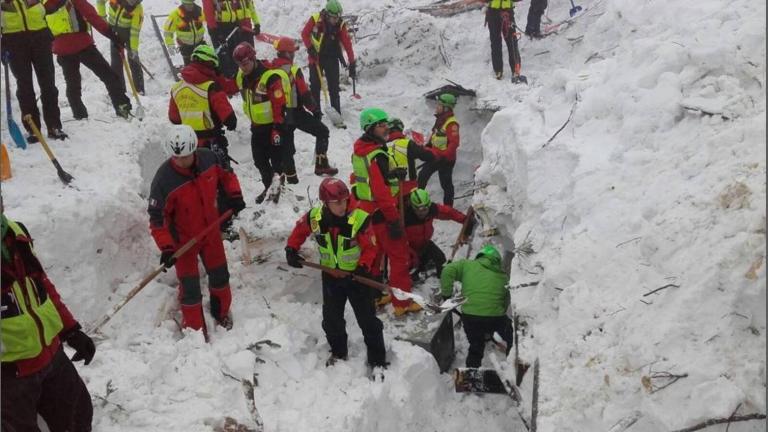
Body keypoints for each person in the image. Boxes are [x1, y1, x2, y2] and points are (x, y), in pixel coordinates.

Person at [1, 213, 96, 430]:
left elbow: (42, 286)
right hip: (10, 376)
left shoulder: (16, 232)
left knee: (78, 417)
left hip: (51, 355)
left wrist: (70, 330)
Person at [148, 125, 245, 333]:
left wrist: (234, 195)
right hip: (183, 241)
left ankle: (221, 313)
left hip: (210, 231)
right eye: (177, 158)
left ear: (194, 149)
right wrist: (166, 247)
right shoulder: (163, 180)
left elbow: (227, 175)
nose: (182, 161)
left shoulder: (210, 158)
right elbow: (157, 220)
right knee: (190, 288)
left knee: (220, 276)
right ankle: (195, 330)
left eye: (185, 156)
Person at [285, 178, 386, 369]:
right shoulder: (315, 217)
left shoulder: (359, 219)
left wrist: (362, 267)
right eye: (337, 202)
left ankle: (378, 360)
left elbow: (371, 248)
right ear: (325, 203)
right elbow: (300, 229)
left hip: (358, 278)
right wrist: (291, 248)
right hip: (331, 277)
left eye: (345, 200)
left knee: (368, 321)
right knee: (332, 320)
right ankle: (339, 352)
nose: (343, 205)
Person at [352, 108, 421, 317]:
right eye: (381, 125)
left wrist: (392, 173)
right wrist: (393, 220)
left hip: (369, 212)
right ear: (370, 128)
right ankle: (402, 303)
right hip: (383, 213)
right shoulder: (377, 155)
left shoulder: (362, 150)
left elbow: (372, 180)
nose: (386, 128)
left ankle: (375, 295)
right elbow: (381, 192)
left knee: (377, 255)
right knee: (399, 257)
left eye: (385, 124)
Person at [44, 0, 132, 120]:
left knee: (73, 84)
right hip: (82, 44)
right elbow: (93, 17)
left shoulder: (43, 4)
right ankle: (123, 107)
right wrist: (112, 35)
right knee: (108, 75)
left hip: (62, 49)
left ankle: (80, 115)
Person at [271, 37, 338, 179]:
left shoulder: (271, 69)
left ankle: (291, 178)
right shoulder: (294, 70)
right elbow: (304, 94)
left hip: (280, 115)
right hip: (296, 112)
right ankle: (321, 165)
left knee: (287, 148)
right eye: (292, 52)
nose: (294, 55)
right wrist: (315, 109)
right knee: (322, 131)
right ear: (287, 54)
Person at [0, 0, 66, 142]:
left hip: (40, 37)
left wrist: (51, 5)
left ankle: (54, 126)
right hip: (14, 41)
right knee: (24, 86)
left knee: (48, 83)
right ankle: (33, 129)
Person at [233, 42, 292, 201]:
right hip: (257, 127)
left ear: (253, 59)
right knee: (259, 160)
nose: (242, 67)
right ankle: (269, 188)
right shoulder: (242, 77)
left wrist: (277, 128)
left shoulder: (269, 77)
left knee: (277, 162)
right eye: (239, 64)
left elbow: (279, 104)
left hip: (273, 126)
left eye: (245, 63)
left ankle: (279, 191)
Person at [439, 244, 513, 368]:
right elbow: (506, 301)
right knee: (509, 333)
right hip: (495, 318)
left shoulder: (467, 265)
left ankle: (471, 376)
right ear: (497, 261)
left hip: (470, 318)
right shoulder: (503, 277)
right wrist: (497, 312)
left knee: (476, 346)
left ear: (480, 256)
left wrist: (446, 295)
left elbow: (447, 270)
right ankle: (512, 363)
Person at [301, 0, 355, 117]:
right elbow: (304, 33)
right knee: (315, 86)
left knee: (334, 87)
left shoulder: (340, 25)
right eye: (334, 17)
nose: (336, 20)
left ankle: (336, 112)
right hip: (316, 57)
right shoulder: (316, 19)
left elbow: (347, 44)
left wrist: (352, 62)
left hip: (332, 57)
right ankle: (316, 112)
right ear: (327, 14)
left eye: (338, 17)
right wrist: (310, 48)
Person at [404, 188, 466, 280]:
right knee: (410, 265)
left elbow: (448, 212)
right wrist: (411, 253)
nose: (422, 212)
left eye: (425, 208)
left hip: (424, 244)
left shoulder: (432, 210)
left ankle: (443, 279)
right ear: (412, 207)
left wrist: (464, 219)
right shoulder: (405, 217)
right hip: (408, 249)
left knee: (440, 258)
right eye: (418, 209)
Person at [418, 93, 459, 206]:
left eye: (439, 105)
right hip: (436, 156)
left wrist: (444, 155)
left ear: (446, 108)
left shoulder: (452, 123)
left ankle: (448, 209)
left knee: (446, 184)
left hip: (446, 160)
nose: (437, 107)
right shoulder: (440, 120)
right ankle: (417, 201)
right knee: (422, 176)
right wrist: (427, 147)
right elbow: (435, 135)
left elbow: (454, 143)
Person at [202, 0, 260, 78]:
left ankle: (243, 75)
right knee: (225, 57)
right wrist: (215, 32)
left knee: (239, 54)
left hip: (236, 26)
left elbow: (246, 8)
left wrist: (256, 23)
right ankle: (229, 79)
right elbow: (208, 13)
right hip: (221, 27)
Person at [97, 0, 145, 94]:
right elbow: (100, 1)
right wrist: (102, 17)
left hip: (128, 34)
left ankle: (139, 90)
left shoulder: (138, 9)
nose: (133, 2)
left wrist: (134, 50)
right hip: (113, 32)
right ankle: (120, 91)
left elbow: (135, 32)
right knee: (116, 63)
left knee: (134, 61)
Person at [386, 117, 435, 195]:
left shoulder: (383, 147)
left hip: (389, 190)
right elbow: (428, 155)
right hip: (408, 188)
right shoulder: (407, 144)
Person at [485, 0, 524, 82]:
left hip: (508, 12)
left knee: (512, 41)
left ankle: (515, 68)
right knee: (495, 43)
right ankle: (498, 70)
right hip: (493, 13)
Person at [163, 0, 207, 65]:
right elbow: (167, 32)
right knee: (190, 68)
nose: (190, 7)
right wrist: (170, 46)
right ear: (183, 3)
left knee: (204, 65)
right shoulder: (175, 15)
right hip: (186, 47)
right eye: (187, 4)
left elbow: (207, 19)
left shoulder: (199, 11)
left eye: (191, 4)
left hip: (200, 44)